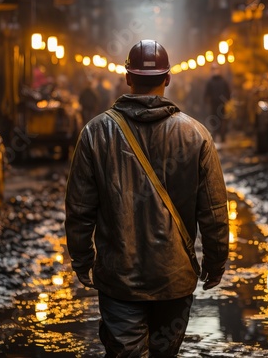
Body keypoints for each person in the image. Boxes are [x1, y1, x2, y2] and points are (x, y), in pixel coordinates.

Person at [65, 39, 229, 357]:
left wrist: (82, 258)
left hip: (118, 280)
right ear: (168, 78)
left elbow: (79, 208)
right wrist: (215, 261)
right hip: (175, 280)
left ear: (128, 77)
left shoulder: (95, 133)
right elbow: (213, 210)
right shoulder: (196, 135)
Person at [204, 65, 231, 143]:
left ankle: (222, 136)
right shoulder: (210, 82)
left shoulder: (223, 81)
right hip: (213, 104)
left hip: (222, 104)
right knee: (214, 120)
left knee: (222, 120)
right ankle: (215, 135)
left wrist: (227, 100)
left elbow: (228, 92)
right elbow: (207, 93)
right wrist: (206, 100)